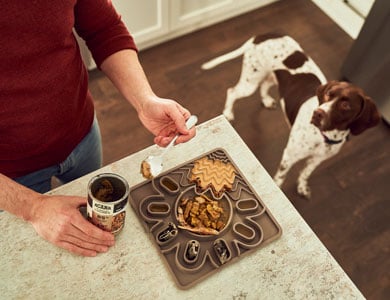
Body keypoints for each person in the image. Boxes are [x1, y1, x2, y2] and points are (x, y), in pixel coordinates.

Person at [0, 1, 196, 257]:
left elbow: (104, 28)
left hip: (82, 135)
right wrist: (33, 208)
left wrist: (144, 100)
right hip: (12, 176)